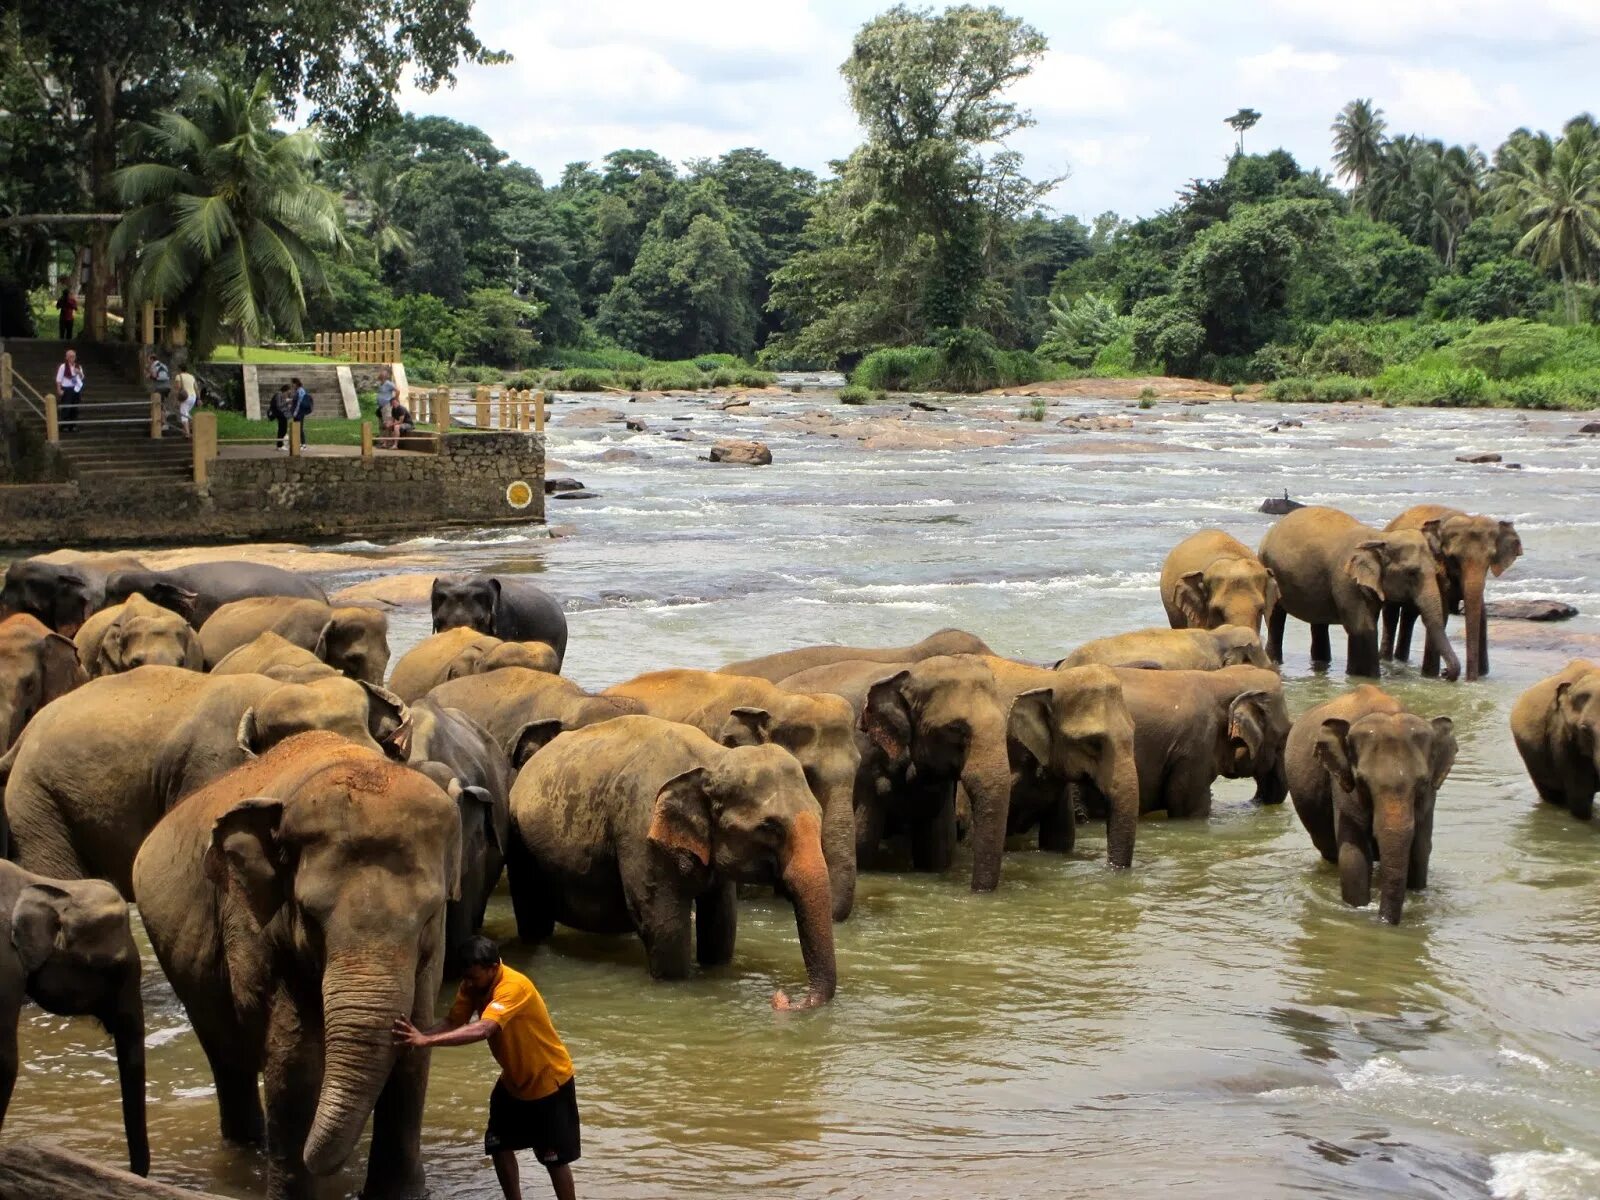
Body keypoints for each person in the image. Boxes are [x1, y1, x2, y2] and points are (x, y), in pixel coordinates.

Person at [393, 937, 579, 1200]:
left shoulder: (514, 987)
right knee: (498, 1144)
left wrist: (427, 1041)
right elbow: (452, 1021)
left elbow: (485, 1028)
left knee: (554, 1158)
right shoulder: (473, 986)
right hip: (513, 1082)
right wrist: (417, 1037)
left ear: (493, 967)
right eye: (465, 978)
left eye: (473, 978)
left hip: (548, 1081)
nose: (468, 984)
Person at [55, 348, 84, 433]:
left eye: (73, 356)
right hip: (67, 389)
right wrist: (59, 389)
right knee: (66, 407)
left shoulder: (78, 366)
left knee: (75, 408)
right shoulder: (63, 366)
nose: (72, 358)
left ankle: (73, 425)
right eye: (70, 356)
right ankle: (64, 425)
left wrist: (79, 372)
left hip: (76, 389)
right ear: (66, 357)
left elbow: (82, 377)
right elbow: (58, 379)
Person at [268, 384, 292, 450]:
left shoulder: (281, 395)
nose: (287, 395)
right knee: (282, 430)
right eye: (287, 393)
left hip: (281, 415)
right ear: (285, 391)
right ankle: (280, 445)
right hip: (280, 415)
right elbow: (279, 405)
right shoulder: (279, 394)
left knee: (283, 429)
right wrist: (287, 402)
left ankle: (280, 445)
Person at [290, 377, 312, 447]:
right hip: (297, 412)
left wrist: (295, 412)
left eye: (293, 383)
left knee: (300, 428)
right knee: (296, 427)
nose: (292, 385)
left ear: (296, 383)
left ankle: (303, 444)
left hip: (300, 412)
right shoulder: (298, 391)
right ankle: (299, 443)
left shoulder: (300, 390)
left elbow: (299, 402)